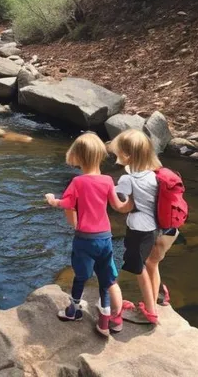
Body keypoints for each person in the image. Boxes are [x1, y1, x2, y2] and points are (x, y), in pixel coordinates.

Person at [45, 132, 129, 336]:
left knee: (81, 275)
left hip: (84, 238)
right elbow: (119, 206)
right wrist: (133, 200)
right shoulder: (108, 180)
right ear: (100, 154)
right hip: (105, 238)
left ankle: (74, 311)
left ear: (78, 157)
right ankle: (104, 320)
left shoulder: (77, 182)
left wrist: (51, 200)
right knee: (106, 277)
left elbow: (66, 204)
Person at [108, 129, 163, 324]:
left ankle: (150, 311)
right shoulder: (154, 175)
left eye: (118, 153)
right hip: (152, 228)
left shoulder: (127, 179)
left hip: (138, 229)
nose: (116, 156)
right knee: (144, 266)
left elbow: (122, 207)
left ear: (128, 155)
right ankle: (152, 304)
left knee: (138, 268)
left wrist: (109, 195)